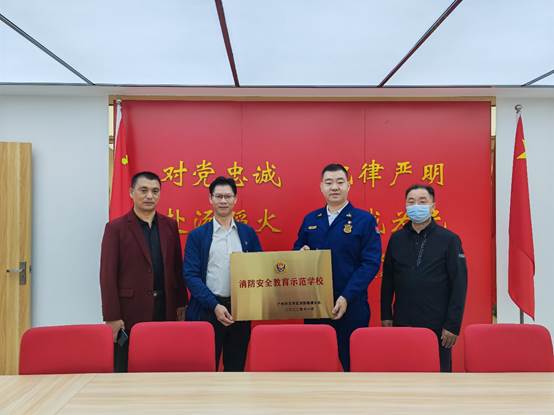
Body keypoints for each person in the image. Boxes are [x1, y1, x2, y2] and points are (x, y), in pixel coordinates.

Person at [293, 163, 382, 371]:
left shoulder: (364, 220)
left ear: (348, 186)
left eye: (340, 182)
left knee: (353, 365)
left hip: (351, 305)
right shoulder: (311, 219)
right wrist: (300, 254)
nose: (334, 187)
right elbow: (297, 251)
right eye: (329, 182)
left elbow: (370, 263)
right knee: (317, 365)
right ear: (321, 187)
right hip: (315, 306)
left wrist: (346, 296)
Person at [100, 171, 187, 372]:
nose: (149, 196)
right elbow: (107, 275)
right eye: (144, 190)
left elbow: (176, 268)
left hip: (165, 308)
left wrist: (181, 304)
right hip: (130, 312)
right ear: (131, 192)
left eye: (155, 191)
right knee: (126, 368)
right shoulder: (116, 228)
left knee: (163, 364)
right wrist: (112, 316)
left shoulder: (169, 225)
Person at [380, 184, 467, 372]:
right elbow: (388, 281)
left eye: (422, 201)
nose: (416, 206)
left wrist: (452, 324)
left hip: (438, 325)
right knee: (404, 373)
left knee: (438, 376)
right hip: (403, 322)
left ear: (433, 206)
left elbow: (459, 284)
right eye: (411, 202)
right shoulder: (396, 239)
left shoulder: (449, 240)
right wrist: (386, 316)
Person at [183, 176, 262, 371]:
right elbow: (191, 275)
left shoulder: (248, 234)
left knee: (235, 369)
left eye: (228, 196)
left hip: (239, 313)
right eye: (218, 196)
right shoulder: (197, 236)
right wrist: (215, 305)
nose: (223, 201)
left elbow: (259, 269)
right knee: (203, 370)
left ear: (235, 199)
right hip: (206, 310)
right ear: (210, 199)